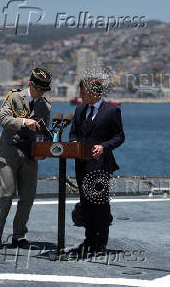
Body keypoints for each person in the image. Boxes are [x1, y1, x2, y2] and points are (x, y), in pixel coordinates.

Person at [0, 67, 52, 249]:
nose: (41, 93)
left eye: (44, 90)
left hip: (30, 154)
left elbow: (43, 131)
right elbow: (2, 119)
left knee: (28, 196)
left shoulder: (45, 106)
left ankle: (19, 235)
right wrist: (24, 122)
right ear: (31, 84)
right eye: (38, 89)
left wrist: (44, 147)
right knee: (7, 194)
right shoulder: (14, 96)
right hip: (8, 152)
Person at [69, 77, 125, 255]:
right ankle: (89, 240)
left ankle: (100, 244)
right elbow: (73, 133)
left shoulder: (112, 111)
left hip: (100, 165)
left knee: (99, 205)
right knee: (86, 204)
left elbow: (119, 137)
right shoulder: (79, 110)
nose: (80, 96)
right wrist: (74, 143)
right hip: (81, 165)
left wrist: (103, 147)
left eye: (83, 93)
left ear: (94, 93)